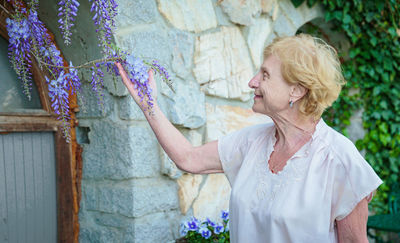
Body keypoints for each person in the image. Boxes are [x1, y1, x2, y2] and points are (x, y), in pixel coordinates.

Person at [115, 33, 382, 243]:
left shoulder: (340, 161)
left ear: (297, 91)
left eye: (265, 75)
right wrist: (148, 104)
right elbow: (189, 158)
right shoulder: (252, 142)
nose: (252, 82)